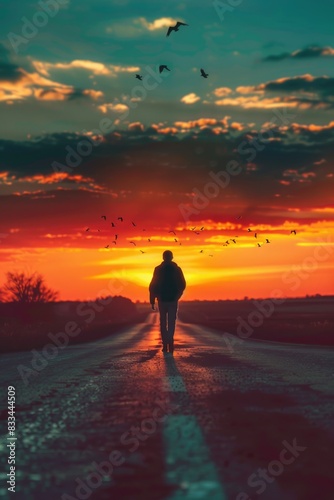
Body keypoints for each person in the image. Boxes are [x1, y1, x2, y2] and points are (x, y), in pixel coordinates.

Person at [149, 250, 186, 354]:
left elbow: (152, 285)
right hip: (173, 300)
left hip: (162, 300)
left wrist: (152, 300)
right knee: (171, 322)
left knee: (163, 322)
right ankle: (170, 342)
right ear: (172, 257)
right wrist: (178, 296)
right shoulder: (177, 269)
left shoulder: (158, 269)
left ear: (163, 257)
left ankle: (165, 343)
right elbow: (182, 284)